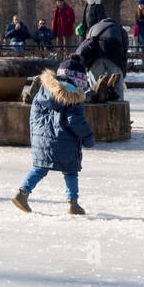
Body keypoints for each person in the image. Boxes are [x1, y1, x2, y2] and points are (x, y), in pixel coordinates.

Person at [11, 55, 96, 216]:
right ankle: (73, 204)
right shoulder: (73, 96)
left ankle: (22, 194)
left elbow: (34, 116)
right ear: (79, 81)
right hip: (65, 142)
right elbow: (74, 121)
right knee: (71, 171)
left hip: (41, 140)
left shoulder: (43, 90)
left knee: (39, 168)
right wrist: (88, 137)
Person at [73, 17, 129, 101]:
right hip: (114, 57)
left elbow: (87, 43)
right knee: (117, 86)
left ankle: (96, 106)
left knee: (96, 86)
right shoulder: (119, 29)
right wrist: (123, 70)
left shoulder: (94, 27)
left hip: (96, 57)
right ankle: (118, 105)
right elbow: (125, 48)